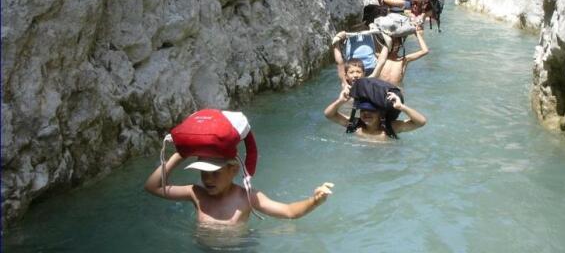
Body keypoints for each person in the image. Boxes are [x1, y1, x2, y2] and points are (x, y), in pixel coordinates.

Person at [144, 153, 334, 225]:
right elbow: (152, 187)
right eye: (203, 172)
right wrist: (179, 155)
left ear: (233, 170)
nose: (207, 179)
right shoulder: (195, 193)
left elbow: (288, 211)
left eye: (215, 173)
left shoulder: (247, 198)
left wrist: (315, 200)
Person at [323, 86, 427, 140]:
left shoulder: (390, 128)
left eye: (372, 111)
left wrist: (401, 107)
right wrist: (340, 101)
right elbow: (329, 115)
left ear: (381, 113)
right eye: (363, 110)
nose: (366, 114)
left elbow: (421, 122)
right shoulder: (354, 125)